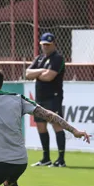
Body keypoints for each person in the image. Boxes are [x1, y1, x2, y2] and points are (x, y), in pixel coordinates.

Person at [26, 32, 67, 167]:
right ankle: (46, 158)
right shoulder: (39, 59)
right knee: (40, 126)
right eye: (43, 45)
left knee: (56, 125)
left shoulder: (58, 58)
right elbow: (27, 74)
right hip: (40, 98)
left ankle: (61, 159)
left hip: (53, 97)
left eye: (48, 45)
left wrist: (37, 74)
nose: (45, 47)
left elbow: (49, 77)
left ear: (54, 44)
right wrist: (41, 71)